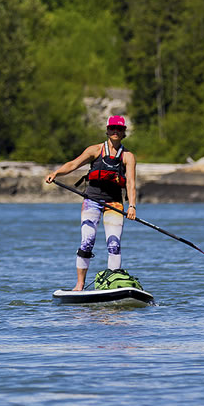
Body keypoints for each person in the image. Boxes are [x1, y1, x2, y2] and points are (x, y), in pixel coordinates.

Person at [45, 115, 138, 290]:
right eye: (112, 128)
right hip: (92, 200)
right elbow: (73, 164)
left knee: (114, 243)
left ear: (124, 132)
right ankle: (79, 285)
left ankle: (113, 283)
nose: (115, 131)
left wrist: (132, 205)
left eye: (119, 129)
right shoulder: (95, 150)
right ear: (107, 130)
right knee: (87, 241)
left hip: (115, 203)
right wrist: (56, 173)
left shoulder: (128, 156)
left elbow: (131, 183)